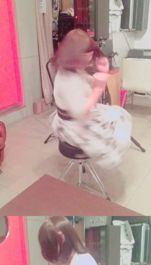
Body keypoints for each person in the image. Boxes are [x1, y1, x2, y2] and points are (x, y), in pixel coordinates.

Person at [51, 29, 132, 169]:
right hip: (75, 128)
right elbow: (81, 111)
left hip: (73, 119)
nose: (87, 64)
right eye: (85, 61)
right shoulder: (68, 80)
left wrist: (103, 73)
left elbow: (88, 83)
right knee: (121, 118)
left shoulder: (70, 69)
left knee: (118, 113)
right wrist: (98, 89)